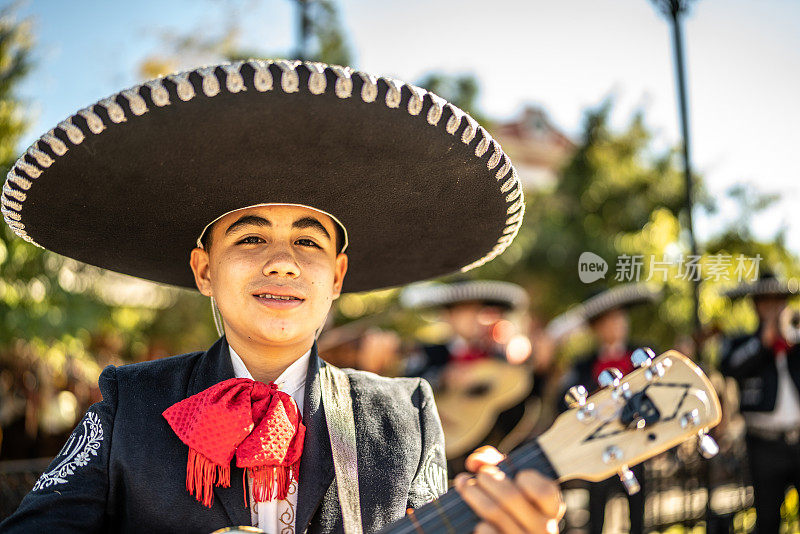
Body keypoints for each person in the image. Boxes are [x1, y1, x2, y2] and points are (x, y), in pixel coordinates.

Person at [0, 59, 563, 533]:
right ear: (204, 270)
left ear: (337, 276)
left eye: (307, 242)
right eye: (250, 237)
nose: (282, 262)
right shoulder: (129, 404)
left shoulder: (405, 414)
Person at [400, 280, 537, 474]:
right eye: (469, 310)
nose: (478, 318)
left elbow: (523, 403)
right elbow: (405, 391)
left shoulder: (502, 361)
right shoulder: (427, 353)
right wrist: (443, 378)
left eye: (484, 310)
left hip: (488, 461)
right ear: (448, 316)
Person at [558, 283, 660, 534]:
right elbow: (566, 402)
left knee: (638, 516)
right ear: (596, 327)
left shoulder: (644, 354)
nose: (617, 324)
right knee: (596, 518)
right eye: (609, 319)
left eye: (620, 317)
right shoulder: (583, 365)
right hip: (599, 449)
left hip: (637, 445)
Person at [719, 273, 800, 533]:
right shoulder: (742, 343)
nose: (774, 308)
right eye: (767, 302)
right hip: (763, 446)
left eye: (779, 302)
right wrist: (763, 342)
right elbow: (730, 367)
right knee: (767, 520)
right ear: (755, 305)